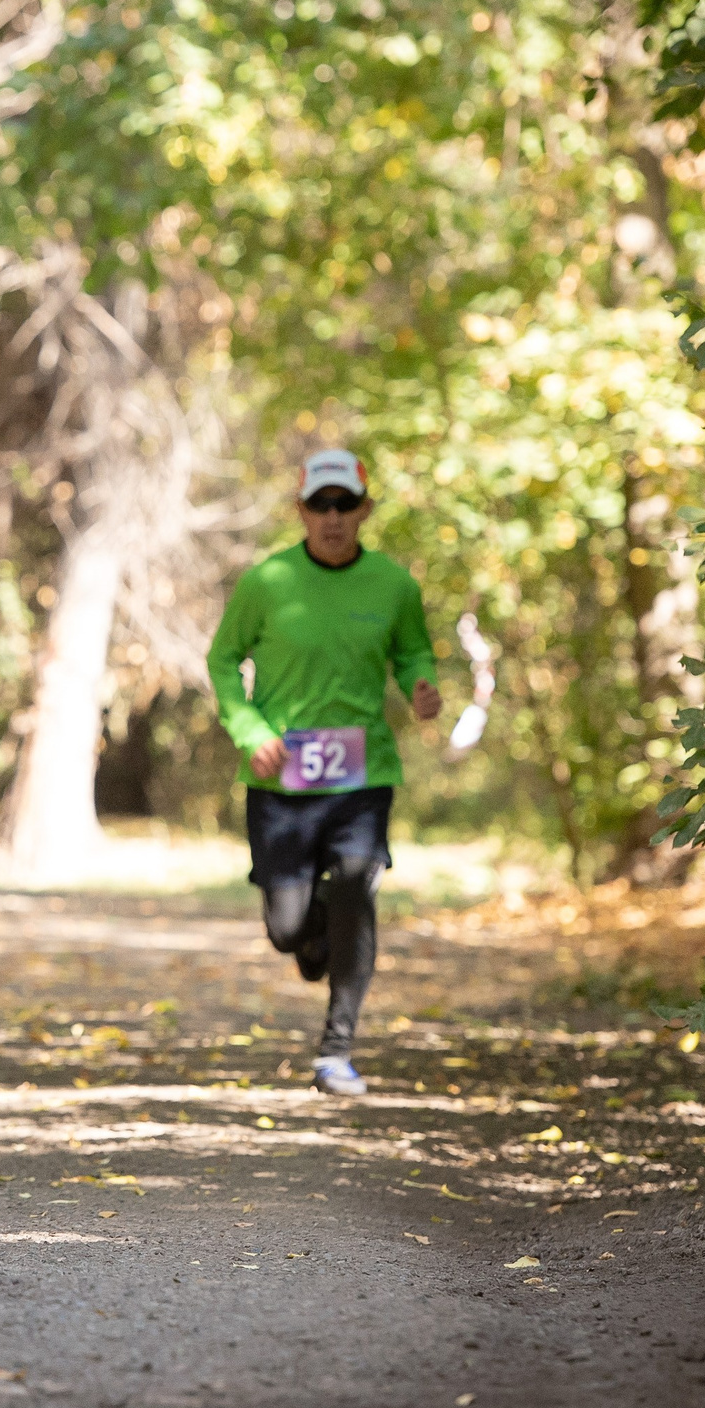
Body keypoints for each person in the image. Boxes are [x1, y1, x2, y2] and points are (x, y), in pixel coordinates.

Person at [206, 449, 441, 1097]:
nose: (332, 517)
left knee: (358, 886)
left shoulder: (394, 584)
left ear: (365, 508)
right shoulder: (267, 582)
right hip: (282, 781)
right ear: (302, 510)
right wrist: (251, 732)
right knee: (288, 927)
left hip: (363, 776)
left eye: (345, 504)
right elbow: (224, 660)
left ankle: (337, 1048)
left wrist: (424, 683)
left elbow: (414, 648)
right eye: (320, 504)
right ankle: (316, 942)